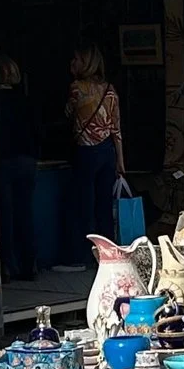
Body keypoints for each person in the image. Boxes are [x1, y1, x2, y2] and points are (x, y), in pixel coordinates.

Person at [62, 47, 124, 266]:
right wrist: (120, 162)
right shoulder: (109, 90)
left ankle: (83, 256)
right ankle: (108, 254)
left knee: (84, 204)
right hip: (107, 151)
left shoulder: (77, 88)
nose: (73, 61)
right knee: (104, 206)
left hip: (86, 150)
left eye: (77, 58)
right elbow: (116, 128)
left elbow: (68, 114)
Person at [0, 56, 39, 282]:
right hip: (27, 160)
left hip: (4, 161)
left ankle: (7, 267)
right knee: (26, 214)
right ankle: (29, 264)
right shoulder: (25, 100)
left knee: (5, 216)